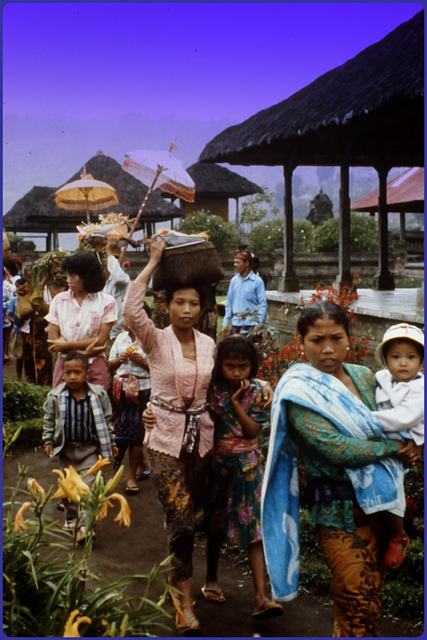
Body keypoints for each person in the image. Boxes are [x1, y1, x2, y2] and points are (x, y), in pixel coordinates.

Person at [261, 301, 422, 637]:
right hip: (338, 512)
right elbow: (336, 448)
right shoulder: (299, 390)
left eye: (336, 337)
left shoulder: (365, 376)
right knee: (359, 600)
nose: (328, 349)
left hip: (380, 504)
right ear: (301, 341)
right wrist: (392, 448)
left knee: (364, 599)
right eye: (316, 340)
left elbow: (403, 417)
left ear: (350, 337)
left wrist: (412, 445)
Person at [122, 237, 217, 634]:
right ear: (167, 305)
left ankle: (175, 578)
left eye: (194, 303)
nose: (187, 310)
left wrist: (259, 385)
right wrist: (153, 261)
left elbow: (220, 386)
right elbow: (129, 309)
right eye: (180, 302)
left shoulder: (209, 343)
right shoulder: (156, 340)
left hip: (201, 441)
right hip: (161, 438)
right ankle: (184, 602)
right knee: (181, 521)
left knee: (191, 518)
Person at [202, 336, 283, 620]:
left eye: (243, 366)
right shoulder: (212, 388)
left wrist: (237, 404)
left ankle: (261, 596)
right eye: (230, 365)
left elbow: (252, 432)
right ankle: (210, 579)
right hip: (219, 464)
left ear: (253, 366)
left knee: (253, 528)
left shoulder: (259, 391)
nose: (237, 372)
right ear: (219, 365)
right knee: (215, 523)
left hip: (248, 466)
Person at [42, 351, 119, 543]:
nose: (72, 377)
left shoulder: (98, 395)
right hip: (66, 450)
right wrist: (48, 440)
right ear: (63, 373)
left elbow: (107, 421)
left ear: (87, 373)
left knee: (88, 486)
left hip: (89, 450)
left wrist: (112, 442)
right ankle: (70, 517)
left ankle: (84, 525)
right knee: (68, 487)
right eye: (67, 373)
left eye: (77, 372)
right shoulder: (55, 396)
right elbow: (49, 420)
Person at [371, 322, 424, 568]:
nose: (403, 363)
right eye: (396, 357)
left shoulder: (419, 387)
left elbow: (404, 417)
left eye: (411, 357)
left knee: (394, 488)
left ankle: (399, 534)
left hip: (406, 438)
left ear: (421, 362)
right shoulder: (382, 380)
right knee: (380, 485)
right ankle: (386, 531)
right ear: (385, 360)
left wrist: (367, 420)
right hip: (385, 440)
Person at [46, 251, 117, 390]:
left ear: (86, 276)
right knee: (63, 407)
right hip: (66, 367)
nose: (68, 280)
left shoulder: (106, 302)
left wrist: (67, 346)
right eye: (67, 275)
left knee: (95, 407)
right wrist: (85, 352)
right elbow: (53, 341)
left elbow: (100, 340)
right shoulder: (59, 301)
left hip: (94, 364)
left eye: (72, 275)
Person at [108, 312, 152, 495]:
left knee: (135, 431)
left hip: (142, 391)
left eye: (127, 318)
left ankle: (131, 476)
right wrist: (120, 360)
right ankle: (142, 464)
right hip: (121, 392)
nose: (123, 322)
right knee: (121, 429)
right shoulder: (120, 338)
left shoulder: (150, 341)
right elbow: (110, 364)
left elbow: (159, 368)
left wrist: (142, 362)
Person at [222, 249, 267, 339]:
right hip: (236, 325)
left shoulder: (257, 281)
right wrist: (225, 324)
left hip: (252, 326)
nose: (235, 265)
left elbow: (263, 304)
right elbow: (229, 304)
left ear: (246, 264)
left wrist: (258, 325)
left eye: (238, 262)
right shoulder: (234, 281)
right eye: (235, 262)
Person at [103, 237, 130, 340]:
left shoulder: (120, 282)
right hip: (106, 335)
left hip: (119, 334)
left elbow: (120, 278)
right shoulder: (103, 285)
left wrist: (109, 253)